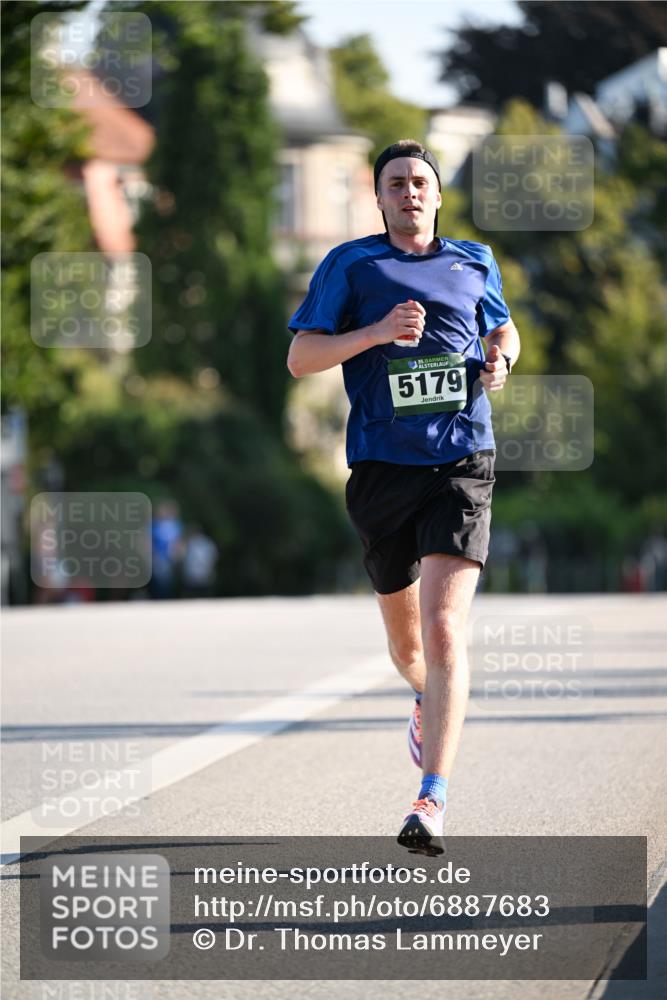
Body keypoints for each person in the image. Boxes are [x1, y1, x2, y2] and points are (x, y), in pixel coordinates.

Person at [286, 139, 520, 855]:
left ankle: (431, 798)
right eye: (396, 183)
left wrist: (501, 357)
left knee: (445, 627)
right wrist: (377, 333)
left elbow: (502, 327)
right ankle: (424, 696)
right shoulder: (351, 265)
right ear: (379, 198)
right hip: (382, 469)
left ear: (438, 195)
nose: (410, 192)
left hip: (460, 458)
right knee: (406, 642)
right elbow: (300, 359)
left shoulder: (474, 261)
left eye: (421, 181)